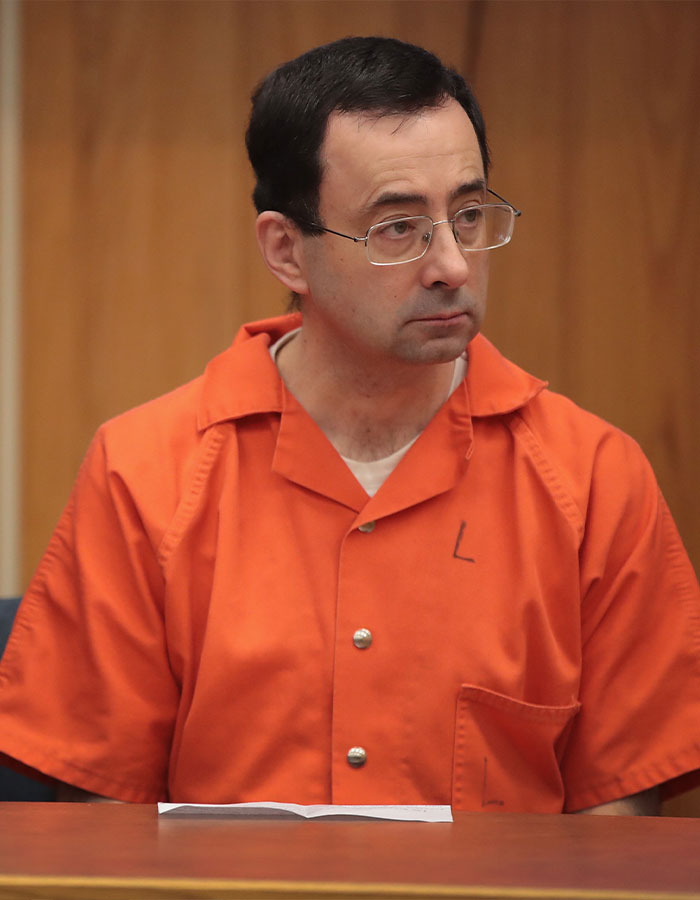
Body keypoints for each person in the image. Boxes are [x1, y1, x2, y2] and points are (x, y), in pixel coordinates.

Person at [1, 36, 699, 814]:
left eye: (469, 215)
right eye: (397, 227)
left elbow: (621, 816)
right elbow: (102, 813)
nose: (452, 265)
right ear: (286, 251)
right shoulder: (143, 470)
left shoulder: (594, 477)